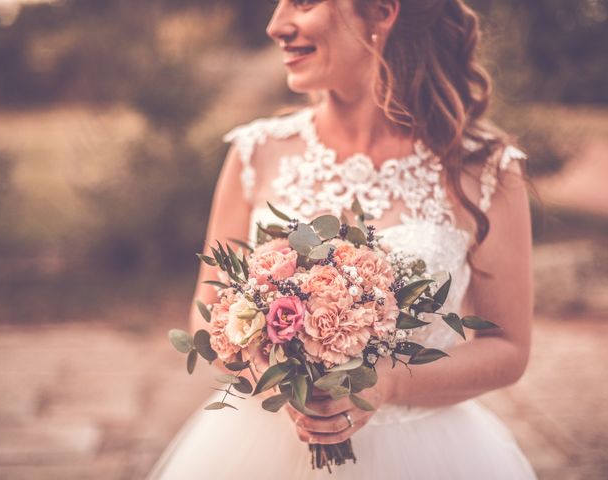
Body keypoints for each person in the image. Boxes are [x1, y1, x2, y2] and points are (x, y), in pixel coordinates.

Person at [148, 0, 536, 478]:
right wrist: (285, 383)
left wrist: (387, 385)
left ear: (382, 11)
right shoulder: (257, 153)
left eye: (304, 2)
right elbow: (207, 319)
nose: (276, 25)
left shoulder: (488, 170)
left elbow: (508, 347)